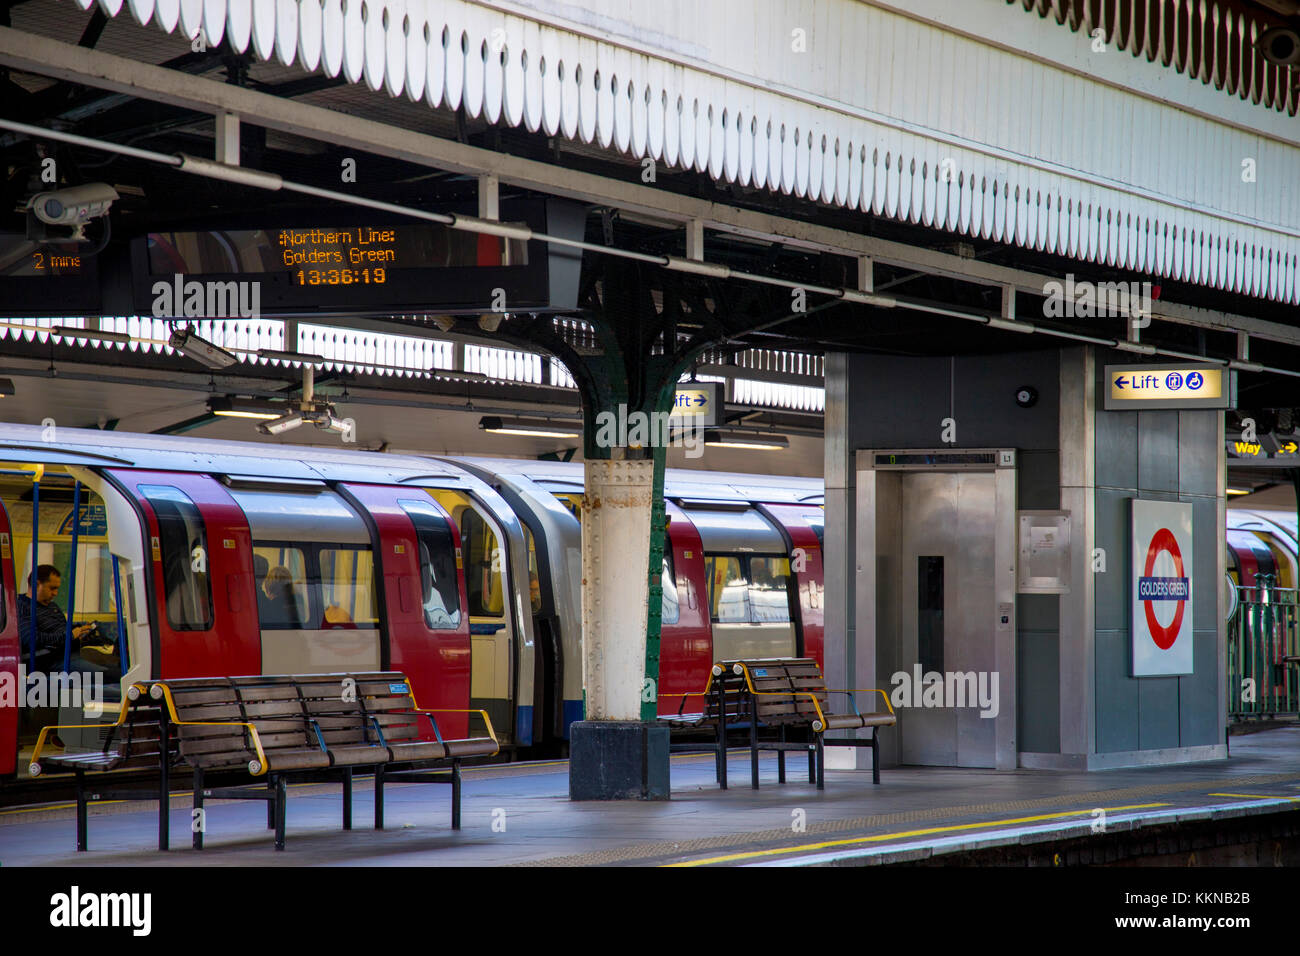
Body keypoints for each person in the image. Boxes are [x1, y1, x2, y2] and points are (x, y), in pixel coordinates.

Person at [17, 564, 100, 675]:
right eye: (52, 588)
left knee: (115, 667)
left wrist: (80, 630)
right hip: (48, 662)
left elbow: (62, 630)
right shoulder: (22, 607)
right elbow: (31, 639)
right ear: (36, 584)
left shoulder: (52, 606)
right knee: (113, 674)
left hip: (69, 655)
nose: (55, 593)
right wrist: (70, 635)